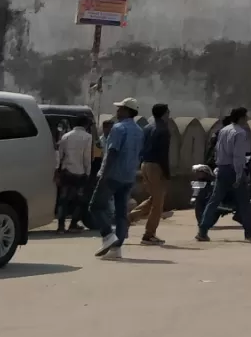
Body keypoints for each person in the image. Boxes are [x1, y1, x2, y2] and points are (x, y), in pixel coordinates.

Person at [198, 106, 251, 242]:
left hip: (221, 168)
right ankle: (249, 231)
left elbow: (217, 150)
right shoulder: (240, 133)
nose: (247, 119)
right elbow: (238, 156)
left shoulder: (223, 130)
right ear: (241, 117)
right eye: (246, 116)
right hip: (234, 170)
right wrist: (240, 174)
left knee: (214, 201)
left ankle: (202, 231)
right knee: (245, 201)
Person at [93, 99, 144, 259]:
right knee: (121, 212)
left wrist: (104, 174)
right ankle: (117, 249)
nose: (117, 111)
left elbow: (113, 152)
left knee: (95, 206)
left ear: (127, 110)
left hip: (113, 174)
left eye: (120, 108)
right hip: (129, 176)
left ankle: (108, 236)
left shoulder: (118, 128)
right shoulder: (139, 131)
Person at [135, 103, 174, 245]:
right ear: (164, 113)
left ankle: (128, 219)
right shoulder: (164, 130)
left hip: (145, 164)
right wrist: (167, 173)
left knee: (154, 198)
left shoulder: (147, 127)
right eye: (168, 111)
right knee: (158, 203)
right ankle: (149, 235)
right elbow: (163, 154)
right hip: (156, 166)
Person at [54, 117, 94, 233]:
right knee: (79, 200)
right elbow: (86, 157)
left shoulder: (66, 136)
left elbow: (59, 155)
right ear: (86, 125)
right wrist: (88, 172)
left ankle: (60, 227)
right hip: (80, 173)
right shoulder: (87, 137)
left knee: (63, 200)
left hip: (66, 172)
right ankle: (73, 224)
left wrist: (57, 170)